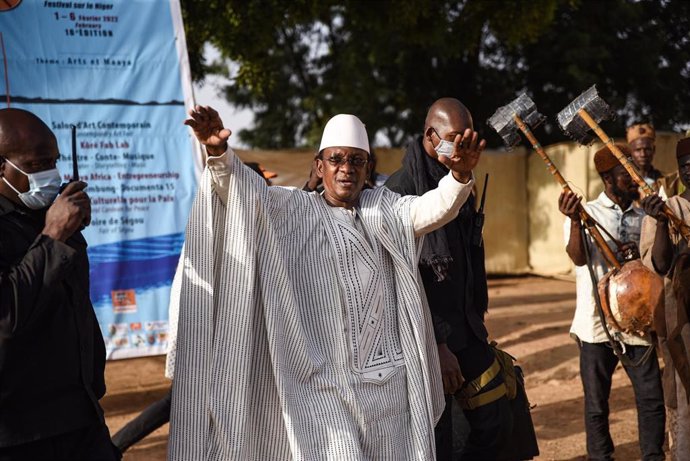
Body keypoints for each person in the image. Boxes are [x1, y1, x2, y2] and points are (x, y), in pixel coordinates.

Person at [166, 105, 482, 460]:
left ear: (367, 169)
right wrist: (220, 154)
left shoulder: (386, 209)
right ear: (320, 165)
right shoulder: (291, 211)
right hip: (324, 384)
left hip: (388, 386)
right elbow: (244, 194)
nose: (346, 169)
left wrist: (458, 178)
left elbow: (432, 208)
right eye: (336, 159)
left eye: (356, 161)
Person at [385, 98, 513, 460]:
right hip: (428, 340)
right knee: (437, 441)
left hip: (467, 329)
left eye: (468, 137)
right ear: (431, 135)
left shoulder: (458, 177)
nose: (463, 146)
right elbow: (406, 278)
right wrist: (437, 345)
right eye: (455, 137)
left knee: (497, 421)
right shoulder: (400, 190)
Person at [0, 109, 118, 460]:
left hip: (80, 415)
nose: (50, 175)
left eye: (54, 162)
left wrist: (66, 233)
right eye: (36, 165)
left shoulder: (48, 215)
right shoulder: (50, 226)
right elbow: (7, 315)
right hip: (17, 434)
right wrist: (53, 235)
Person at [558, 144, 665, 461]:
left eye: (634, 173)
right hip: (595, 325)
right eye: (625, 174)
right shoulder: (586, 211)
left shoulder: (645, 214)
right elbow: (578, 258)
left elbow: (655, 264)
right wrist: (575, 221)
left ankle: (653, 456)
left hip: (637, 322)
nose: (634, 179)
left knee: (651, 399)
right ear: (607, 177)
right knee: (596, 404)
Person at [640, 136, 690, 460]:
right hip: (683, 330)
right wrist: (660, 223)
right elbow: (659, 263)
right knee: (685, 407)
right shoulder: (671, 209)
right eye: (685, 165)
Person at [627, 122, 678, 197]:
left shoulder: (667, 181)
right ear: (630, 152)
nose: (643, 154)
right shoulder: (625, 181)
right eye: (638, 150)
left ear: (654, 150)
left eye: (647, 149)